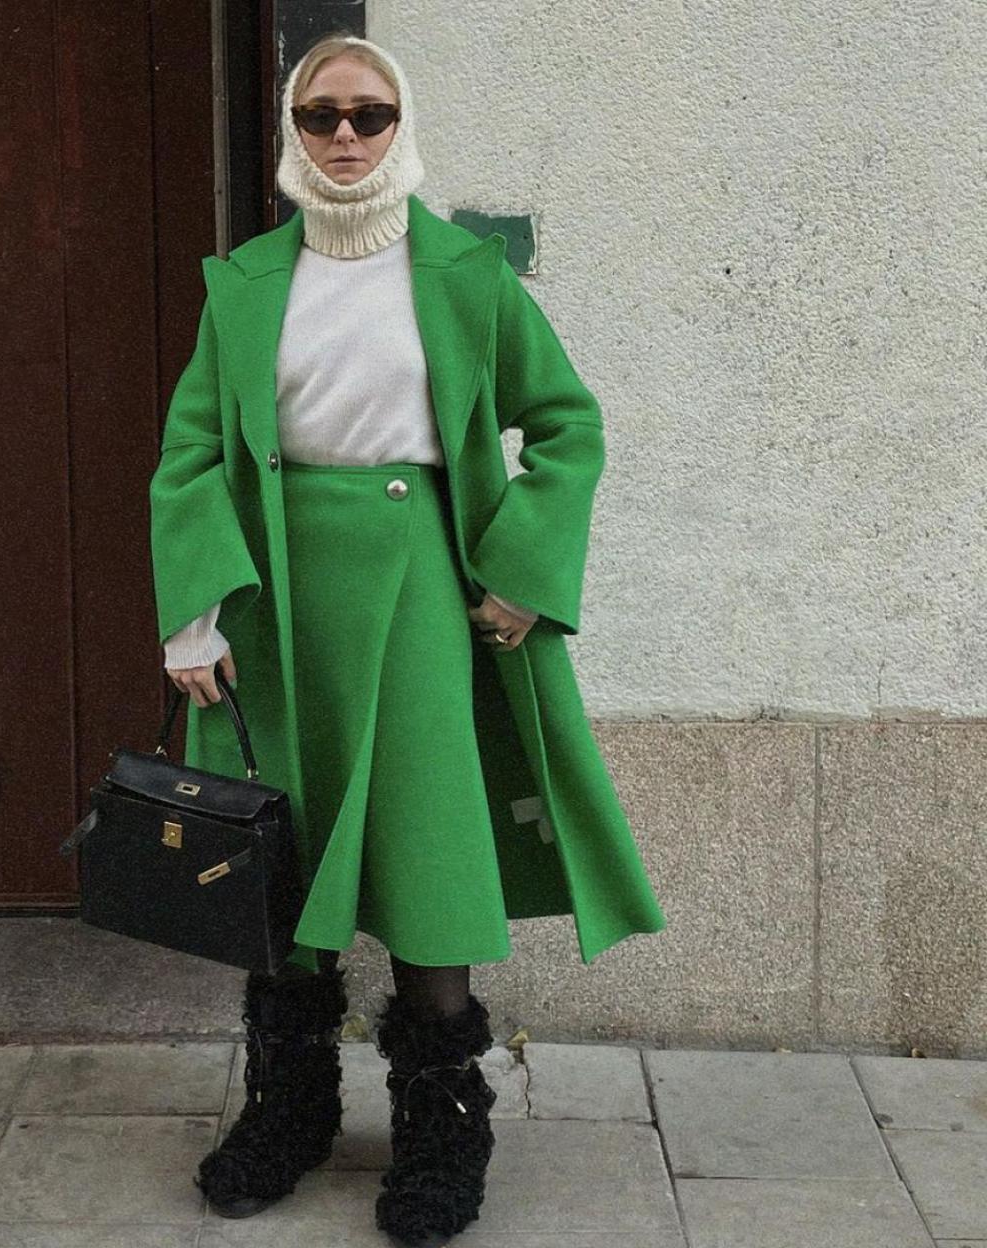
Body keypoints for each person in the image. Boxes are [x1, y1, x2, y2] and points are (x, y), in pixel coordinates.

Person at [150, 32, 652, 1248]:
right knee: (279, 863)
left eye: (368, 114)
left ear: (400, 124)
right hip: (276, 606)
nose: (343, 136)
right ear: (292, 128)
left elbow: (567, 426)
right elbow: (193, 453)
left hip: (422, 596)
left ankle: (441, 1133)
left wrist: (522, 572)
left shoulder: (467, 276)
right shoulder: (246, 282)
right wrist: (193, 614)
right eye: (319, 114)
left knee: (426, 855)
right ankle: (289, 1113)